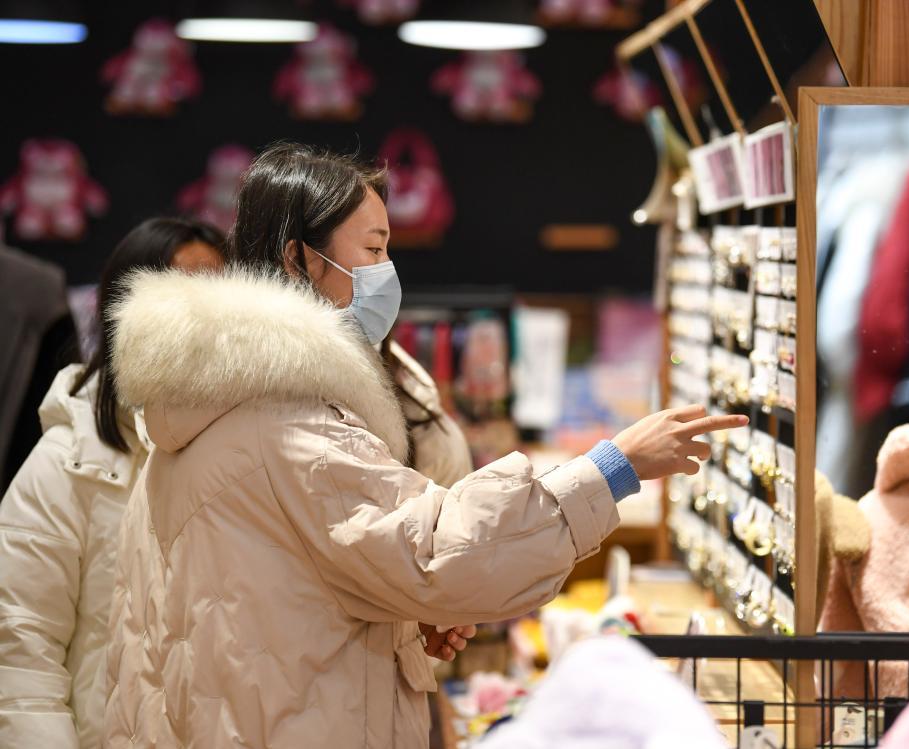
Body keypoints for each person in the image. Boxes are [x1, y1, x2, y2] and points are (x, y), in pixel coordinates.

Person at [103, 142, 748, 748]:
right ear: (299, 259)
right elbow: (443, 549)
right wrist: (613, 468)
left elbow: (281, 600)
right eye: (373, 248)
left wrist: (401, 620)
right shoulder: (289, 426)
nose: (386, 272)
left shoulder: (200, 408)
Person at [0, 218, 226, 749]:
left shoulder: (252, 453)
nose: (206, 321)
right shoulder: (67, 464)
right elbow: (21, 654)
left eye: (219, 298)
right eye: (180, 298)